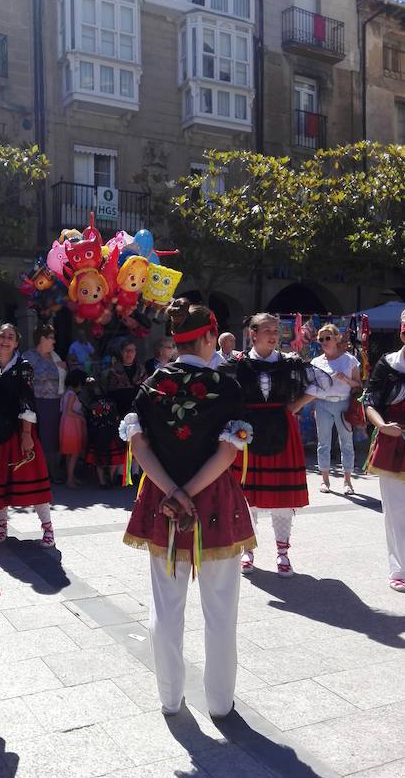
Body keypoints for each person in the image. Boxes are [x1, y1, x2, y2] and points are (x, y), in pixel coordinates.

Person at [121, 299, 255, 717]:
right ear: (210, 336)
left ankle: (169, 697)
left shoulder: (150, 387)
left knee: (166, 605)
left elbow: (139, 445)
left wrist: (172, 492)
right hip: (214, 500)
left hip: (163, 502)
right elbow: (227, 453)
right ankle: (218, 703)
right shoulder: (226, 386)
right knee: (221, 610)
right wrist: (190, 491)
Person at [228, 313, 317, 578]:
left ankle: (283, 552)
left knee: (282, 497)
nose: (274, 334)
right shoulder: (237, 363)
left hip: (281, 427)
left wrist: (293, 407)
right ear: (253, 334)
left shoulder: (290, 362)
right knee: (247, 496)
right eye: (267, 330)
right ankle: (247, 550)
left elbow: (315, 386)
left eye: (276, 330)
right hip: (248, 431)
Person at [0, 323, 54, 546]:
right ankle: (2, 527)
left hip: (18, 432)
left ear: (16, 342)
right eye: (2, 336)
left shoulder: (23, 367)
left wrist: (27, 434)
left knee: (31, 478)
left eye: (11, 337)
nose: (6, 340)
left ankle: (47, 528)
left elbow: (26, 400)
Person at [364, 310, 405, 593]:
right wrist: (382, 426)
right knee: (395, 509)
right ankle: (399, 569)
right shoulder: (388, 364)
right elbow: (369, 401)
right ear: (403, 334)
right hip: (394, 441)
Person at [311, 323, 362, 495]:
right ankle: (325, 480)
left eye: (328, 338)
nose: (324, 341)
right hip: (322, 403)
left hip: (343, 404)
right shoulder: (316, 362)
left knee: (346, 442)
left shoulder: (349, 360)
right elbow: (312, 386)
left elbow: (359, 385)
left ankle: (347, 481)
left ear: (336, 338)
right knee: (323, 443)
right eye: (321, 339)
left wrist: (346, 379)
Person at [22, 324, 66, 483]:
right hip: (35, 402)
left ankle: (51, 473)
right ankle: (37, 472)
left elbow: (62, 380)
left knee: (51, 439)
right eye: (51, 337)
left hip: (54, 403)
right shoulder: (29, 356)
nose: (54, 341)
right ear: (42, 338)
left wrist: (64, 369)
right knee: (37, 437)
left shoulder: (55, 357)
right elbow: (24, 379)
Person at [82, 377, 126, 488]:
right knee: (113, 459)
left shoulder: (90, 403)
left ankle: (102, 482)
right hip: (110, 432)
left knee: (98, 458)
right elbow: (116, 417)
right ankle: (110, 479)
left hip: (97, 433)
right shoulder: (111, 402)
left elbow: (88, 417)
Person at [104, 338, 146, 420]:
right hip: (119, 412)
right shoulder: (112, 371)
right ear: (121, 352)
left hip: (138, 412)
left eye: (132, 350)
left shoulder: (141, 370)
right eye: (127, 350)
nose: (129, 353)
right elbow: (111, 392)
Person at [60, 369, 88, 488]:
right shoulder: (71, 394)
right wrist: (81, 417)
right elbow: (69, 411)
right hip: (72, 425)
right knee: (75, 453)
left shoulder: (67, 392)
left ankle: (70, 477)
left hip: (66, 424)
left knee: (69, 453)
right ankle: (70, 479)